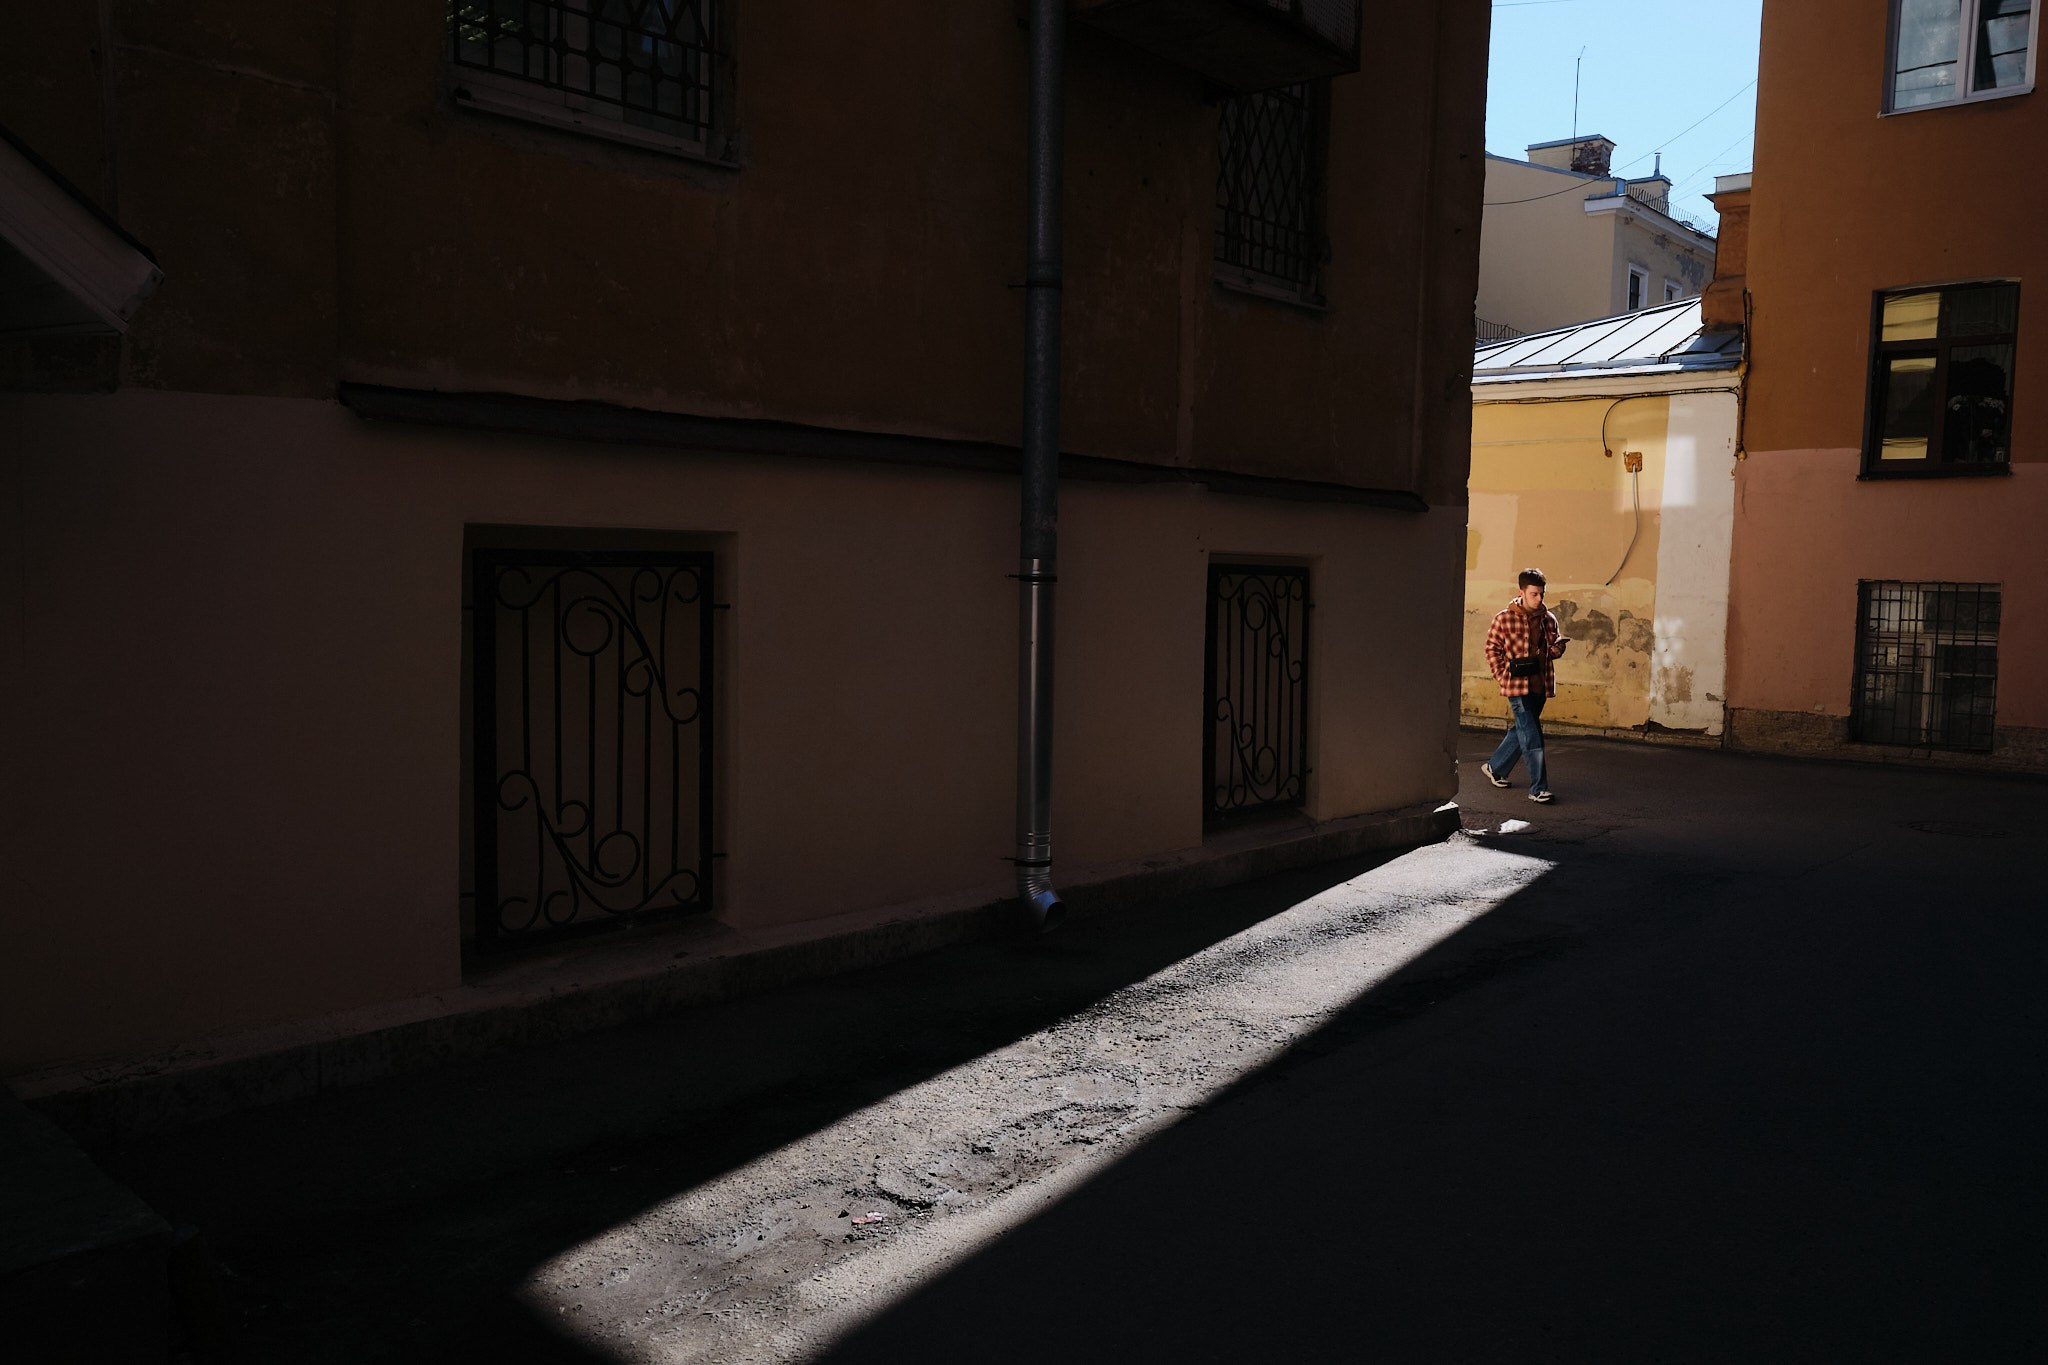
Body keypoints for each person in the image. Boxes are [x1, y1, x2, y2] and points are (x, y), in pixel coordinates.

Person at [1481, 567, 1570, 803]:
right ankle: (1538, 788)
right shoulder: (1504, 618)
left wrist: (1557, 648)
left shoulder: (1548, 618)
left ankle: (1495, 767)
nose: (1539, 598)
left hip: (1540, 685)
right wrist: (1502, 675)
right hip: (1517, 687)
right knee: (1532, 736)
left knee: (1521, 731)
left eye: (1542, 594)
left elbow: (1556, 647)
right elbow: (1492, 649)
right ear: (1522, 592)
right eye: (1534, 594)